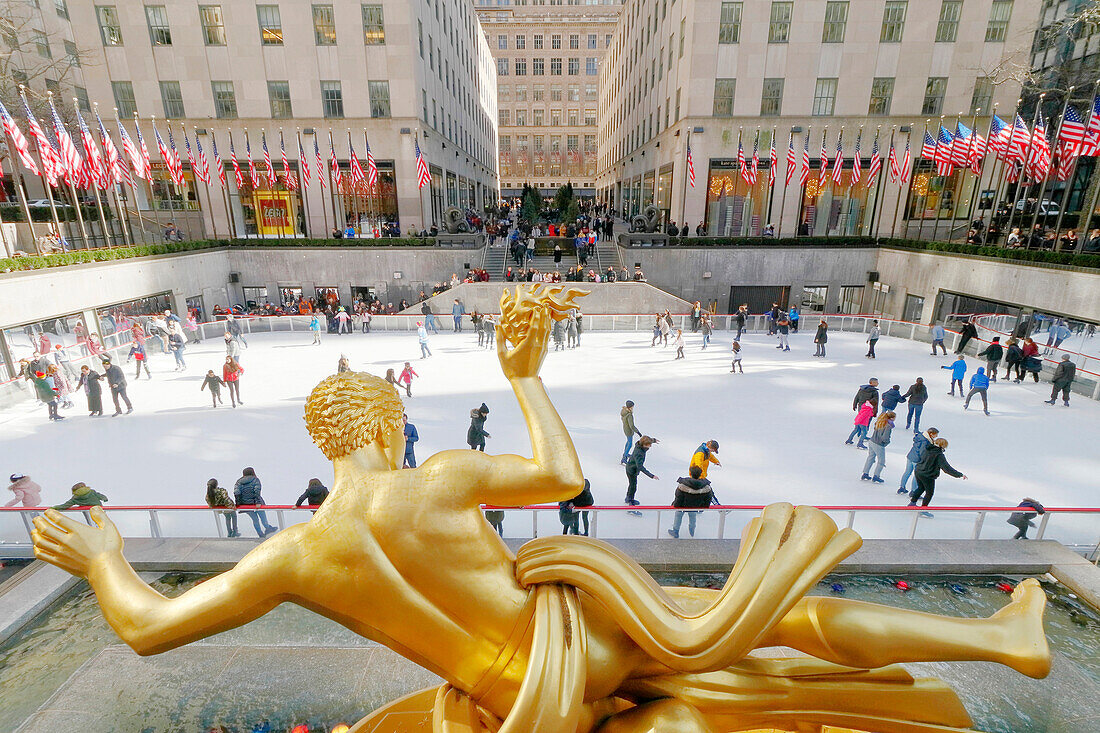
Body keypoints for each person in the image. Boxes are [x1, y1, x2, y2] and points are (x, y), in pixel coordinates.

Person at [908, 438, 966, 517]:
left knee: (921, 488)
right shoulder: (939, 455)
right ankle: (923, 509)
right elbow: (946, 468)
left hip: (918, 471)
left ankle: (912, 503)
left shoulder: (927, 448)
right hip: (928, 475)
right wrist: (959, 474)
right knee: (929, 493)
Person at [667, 464, 714, 539]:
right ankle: (692, 529)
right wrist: (703, 506)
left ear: (690, 473)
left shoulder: (683, 485)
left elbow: (678, 497)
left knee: (678, 515)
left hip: (682, 506)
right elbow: (708, 498)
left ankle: (675, 531)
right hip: (694, 506)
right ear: (700, 474)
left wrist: (676, 506)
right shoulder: (705, 486)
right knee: (692, 516)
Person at [233, 467, 277, 537]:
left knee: (255, 520)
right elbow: (257, 491)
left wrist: (238, 503)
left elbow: (236, 492)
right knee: (263, 517)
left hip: (245, 505)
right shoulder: (255, 480)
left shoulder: (238, 482)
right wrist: (258, 502)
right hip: (256, 503)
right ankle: (268, 528)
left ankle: (260, 534)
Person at [899, 427, 939, 495]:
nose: (936, 436)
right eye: (936, 435)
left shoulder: (920, 436)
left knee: (907, 472)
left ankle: (902, 487)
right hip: (917, 459)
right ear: (931, 434)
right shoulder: (925, 441)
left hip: (911, 456)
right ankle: (914, 491)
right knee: (916, 476)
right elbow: (922, 452)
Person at [861, 411, 895, 484]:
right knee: (881, 461)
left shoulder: (880, 422)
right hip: (878, 444)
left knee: (870, 457)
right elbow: (885, 437)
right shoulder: (888, 426)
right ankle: (876, 476)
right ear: (891, 418)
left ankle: (865, 473)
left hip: (872, 441)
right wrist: (887, 442)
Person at [624, 435, 659, 506]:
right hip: (632, 470)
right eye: (649, 445)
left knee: (632, 485)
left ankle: (628, 498)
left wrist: (654, 440)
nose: (650, 446)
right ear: (644, 445)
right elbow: (640, 467)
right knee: (633, 486)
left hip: (631, 467)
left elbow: (647, 440)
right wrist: (651, 476)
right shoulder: (639, 453)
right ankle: (630, 501)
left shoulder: (640, 444)